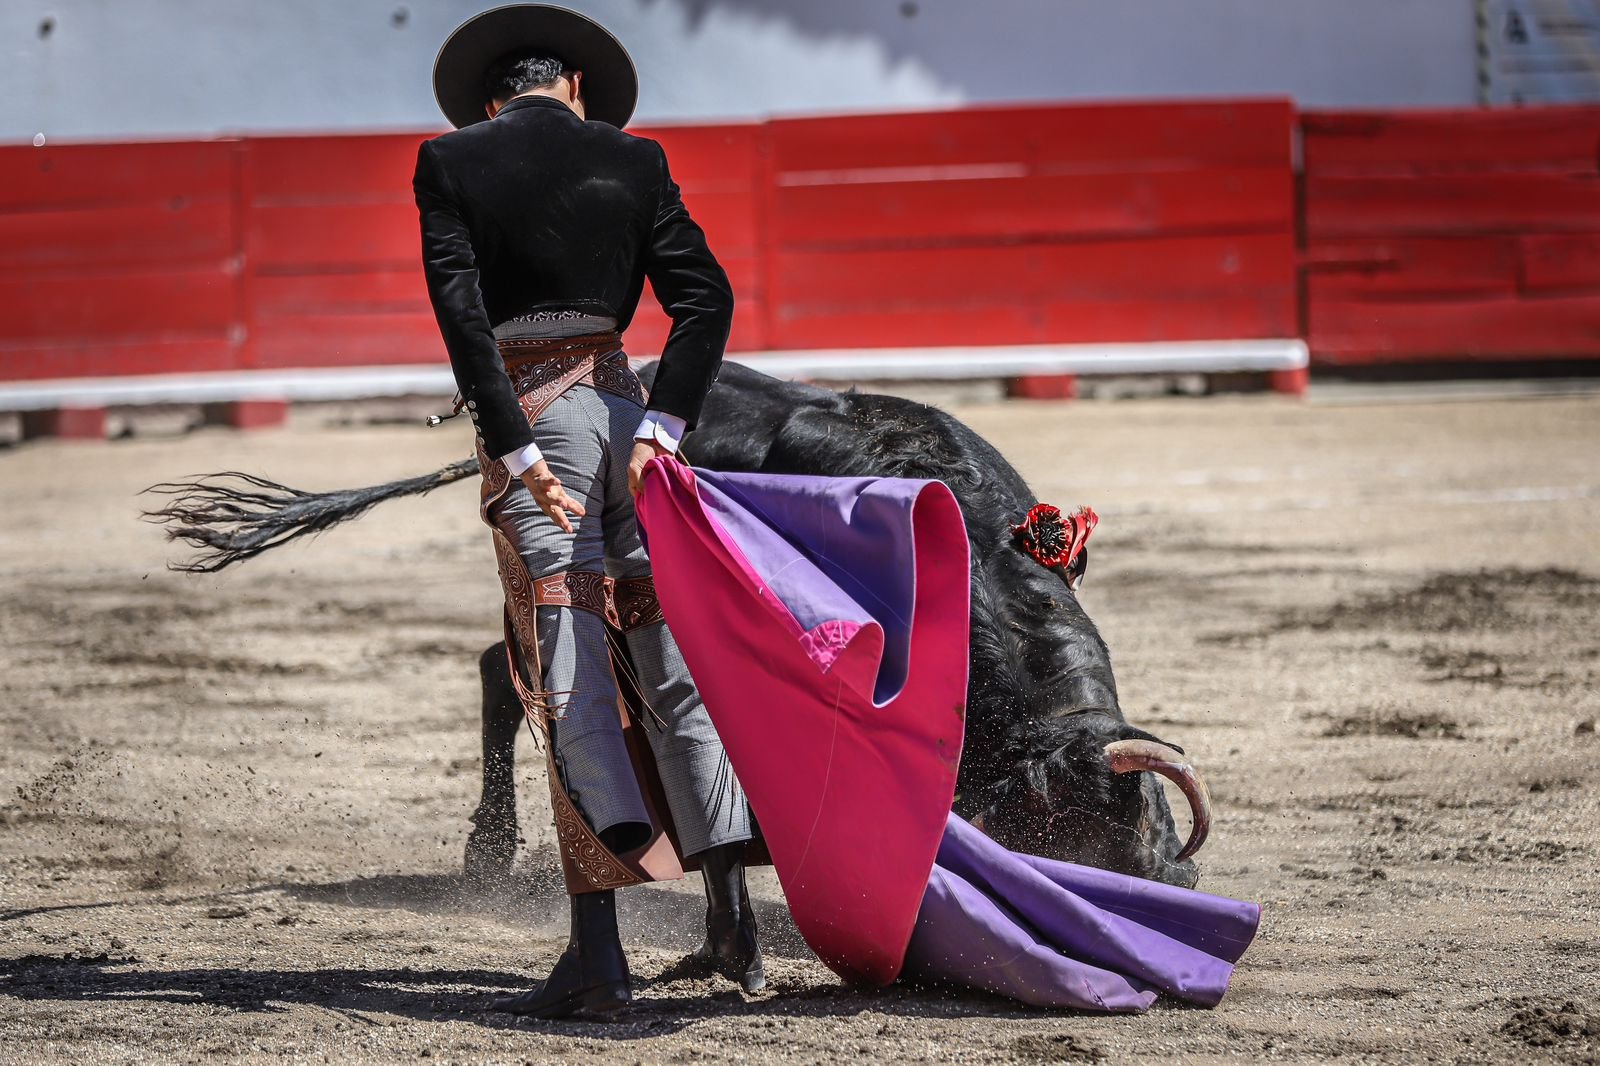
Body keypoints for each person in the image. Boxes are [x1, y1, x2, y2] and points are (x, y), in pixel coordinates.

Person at [414, 4, 761, 1018]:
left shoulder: (449, 159)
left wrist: (516, 445)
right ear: (573, 86)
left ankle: (600, 959)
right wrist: (664, 426)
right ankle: (733, 927)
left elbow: (462, 317)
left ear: (493, 100)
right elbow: (707, 300)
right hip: (624, 414)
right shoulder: (637, 158)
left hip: (538, 423)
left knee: (564, 669)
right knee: (664, 656)